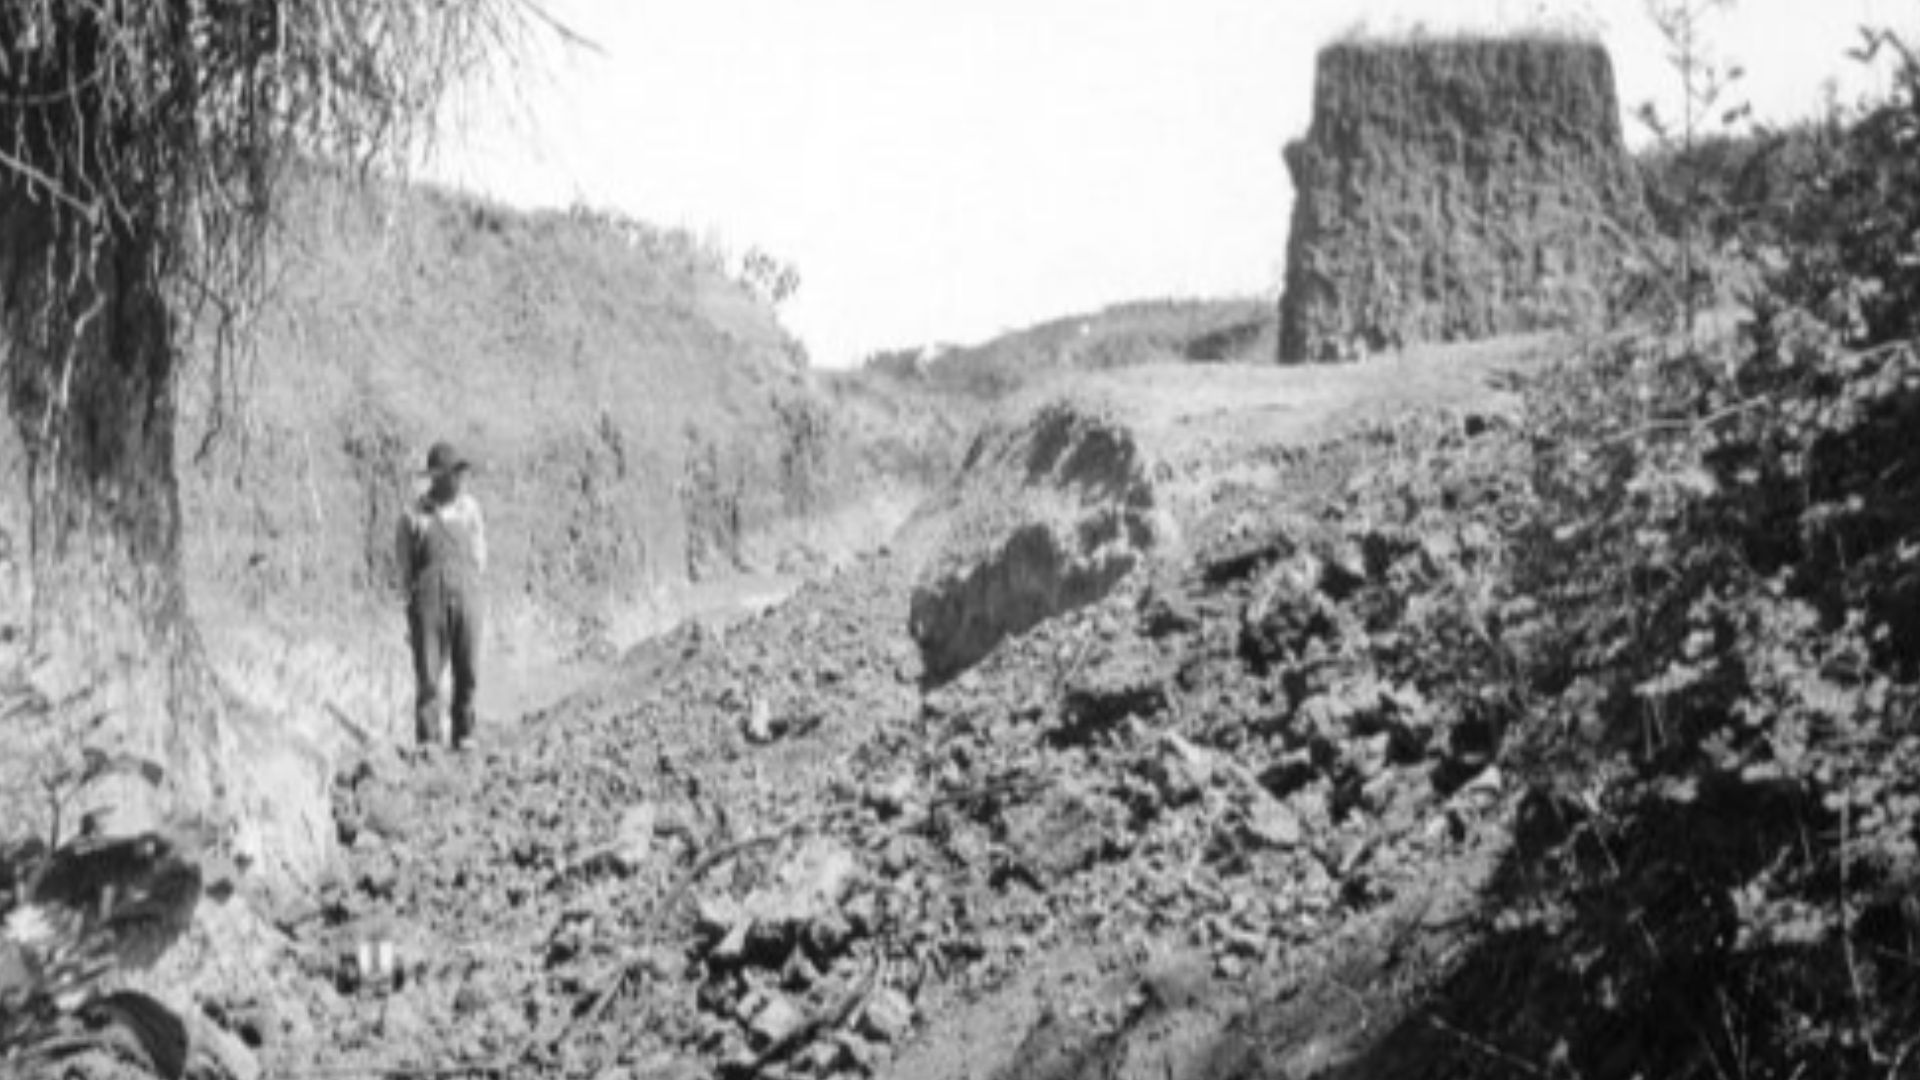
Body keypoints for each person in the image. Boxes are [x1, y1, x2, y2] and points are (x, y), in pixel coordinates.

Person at [396, 441, 487, 751]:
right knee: (429, 673)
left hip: (468, 594)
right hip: (428, 599)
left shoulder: (470, 509)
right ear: (437, 477)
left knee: (468, 668)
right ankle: (429, 741)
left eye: (461, 473)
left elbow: (479, 556)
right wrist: (412, 611)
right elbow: (405, 568)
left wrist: (471, 587)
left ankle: (465, 734)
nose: (460, 480)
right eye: (453, 474)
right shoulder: (413, 515)